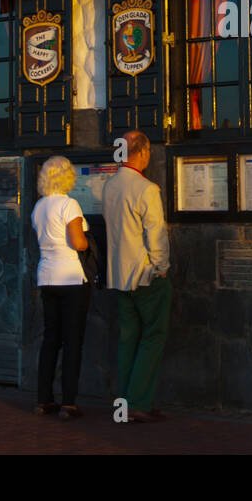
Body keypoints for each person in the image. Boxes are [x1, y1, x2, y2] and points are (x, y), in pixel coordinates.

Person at [102, 130, 171, 424]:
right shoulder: (147, 189)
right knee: (153, 337)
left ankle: (125, 401)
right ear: (141, 153)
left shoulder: (109, 186)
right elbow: (156, 234)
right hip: (145, 275)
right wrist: (161, 266)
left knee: (128, 339)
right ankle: (138, 401)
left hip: (118, 274)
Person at [32, 155, 92, 420]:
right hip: (71, 278)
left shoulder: (39, 207)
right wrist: (91, 244)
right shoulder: (69, 205)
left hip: (46, 277)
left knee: (50, 340)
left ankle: (44, 400)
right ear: (68, 176)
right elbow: (79, 243)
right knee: (72, 341)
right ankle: (69, 402)